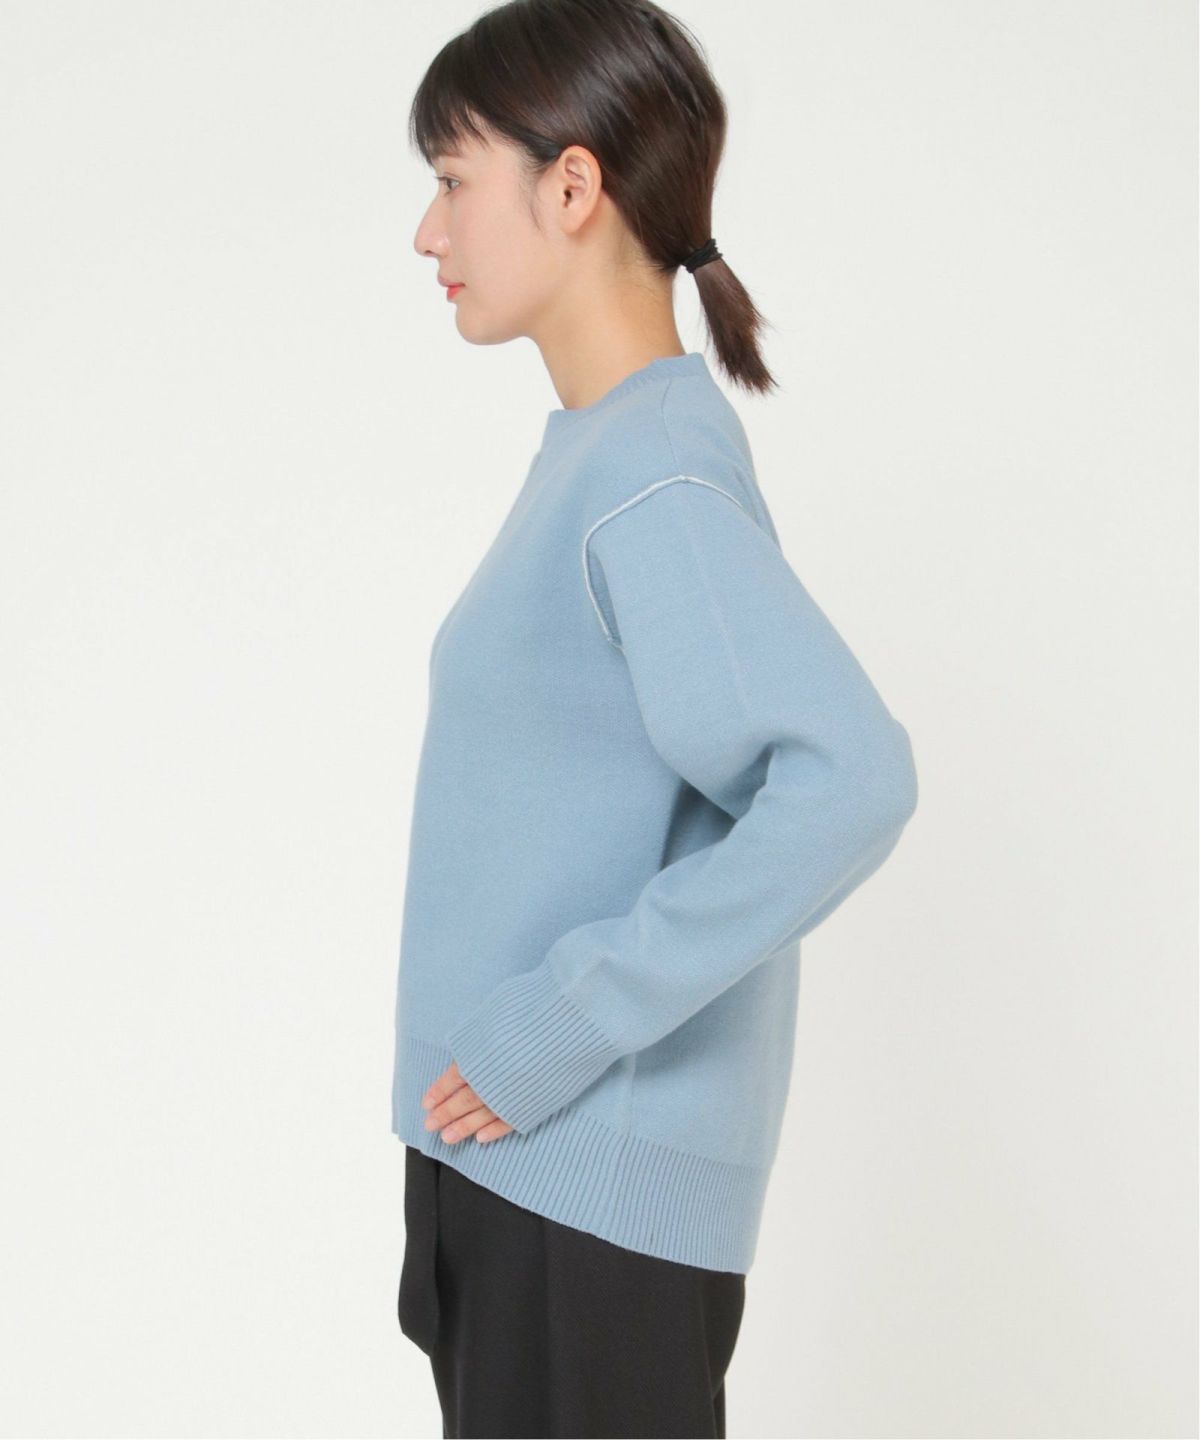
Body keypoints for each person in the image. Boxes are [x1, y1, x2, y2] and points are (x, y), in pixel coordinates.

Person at [393, 1, 920, 1435]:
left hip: (580, 1203)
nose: (428, 235)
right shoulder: (608, 458)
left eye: (451, 181)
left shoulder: (653, 477)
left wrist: (558, 1027)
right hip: (531, 1184)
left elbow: (850, 781)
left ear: (572, 186)